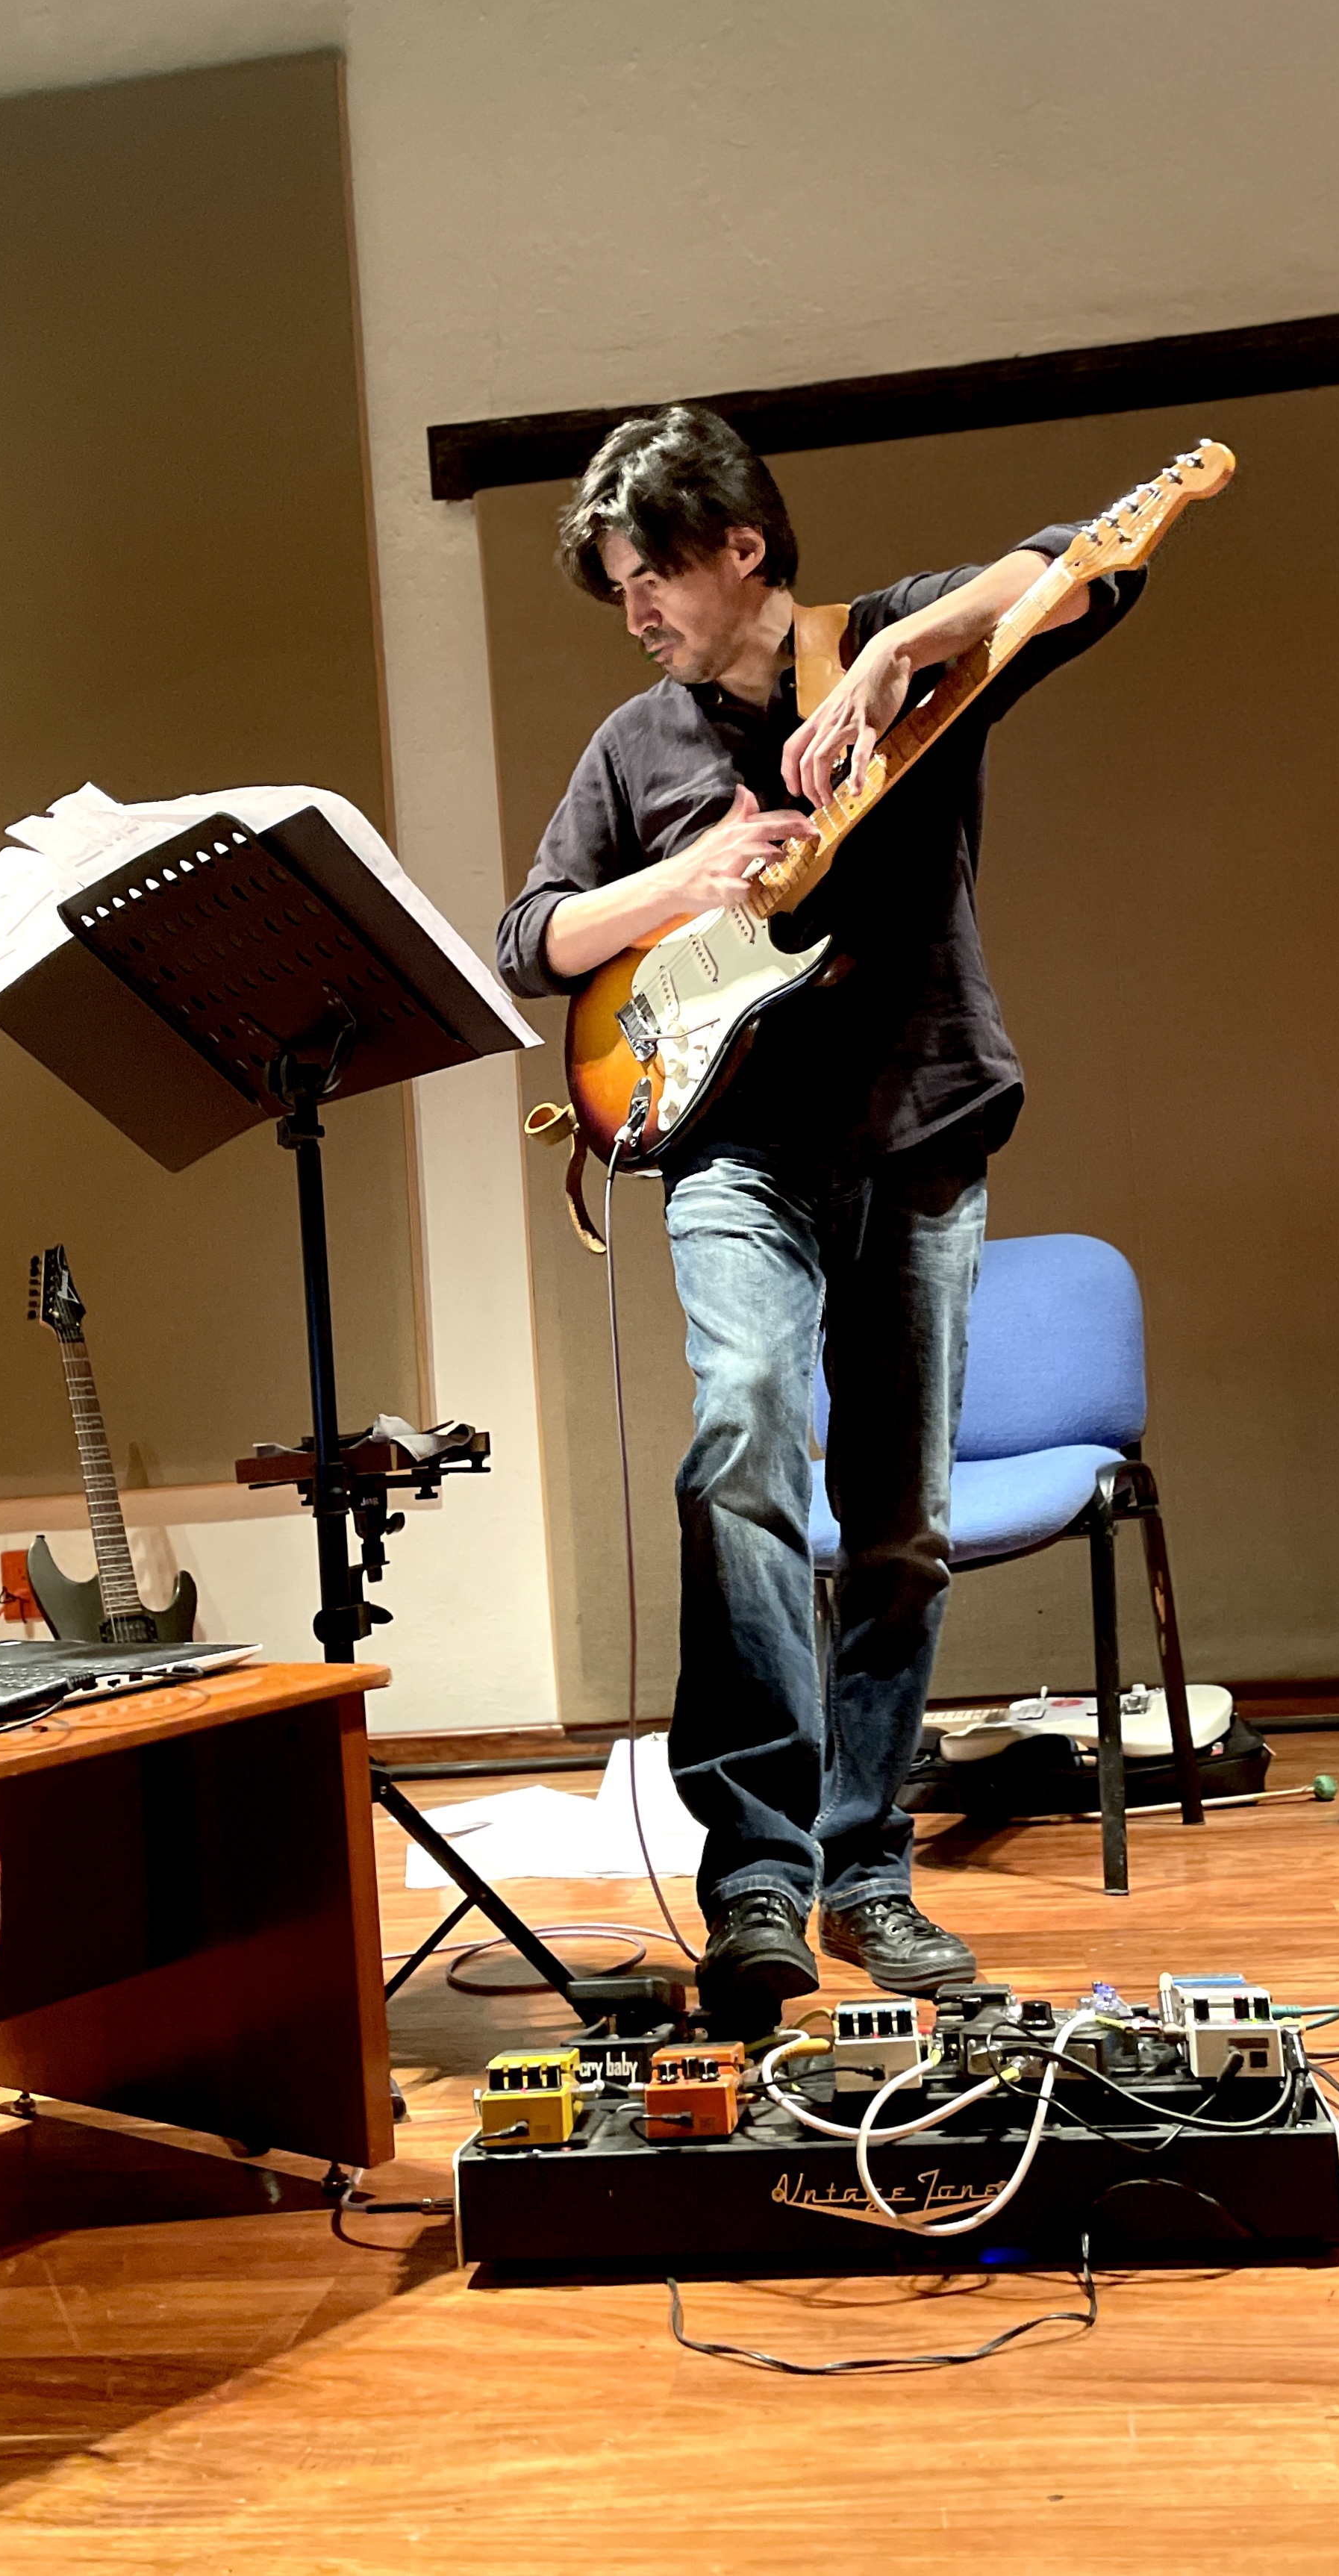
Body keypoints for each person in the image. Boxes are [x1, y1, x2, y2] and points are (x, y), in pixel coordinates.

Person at [496, 404, 1144, 2022]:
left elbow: (1084, 567)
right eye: (616, 590)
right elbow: (532, 939)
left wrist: (900, 654)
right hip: (732, 1150)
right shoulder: (632, 746)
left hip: (919, 1129)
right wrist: (680, 884)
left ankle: (865, 1869)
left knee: (898, 1524)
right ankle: (757, 1878)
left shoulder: (899, 652)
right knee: (741, 1442)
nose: (634, 613)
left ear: (742, 546)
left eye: (651, 576)